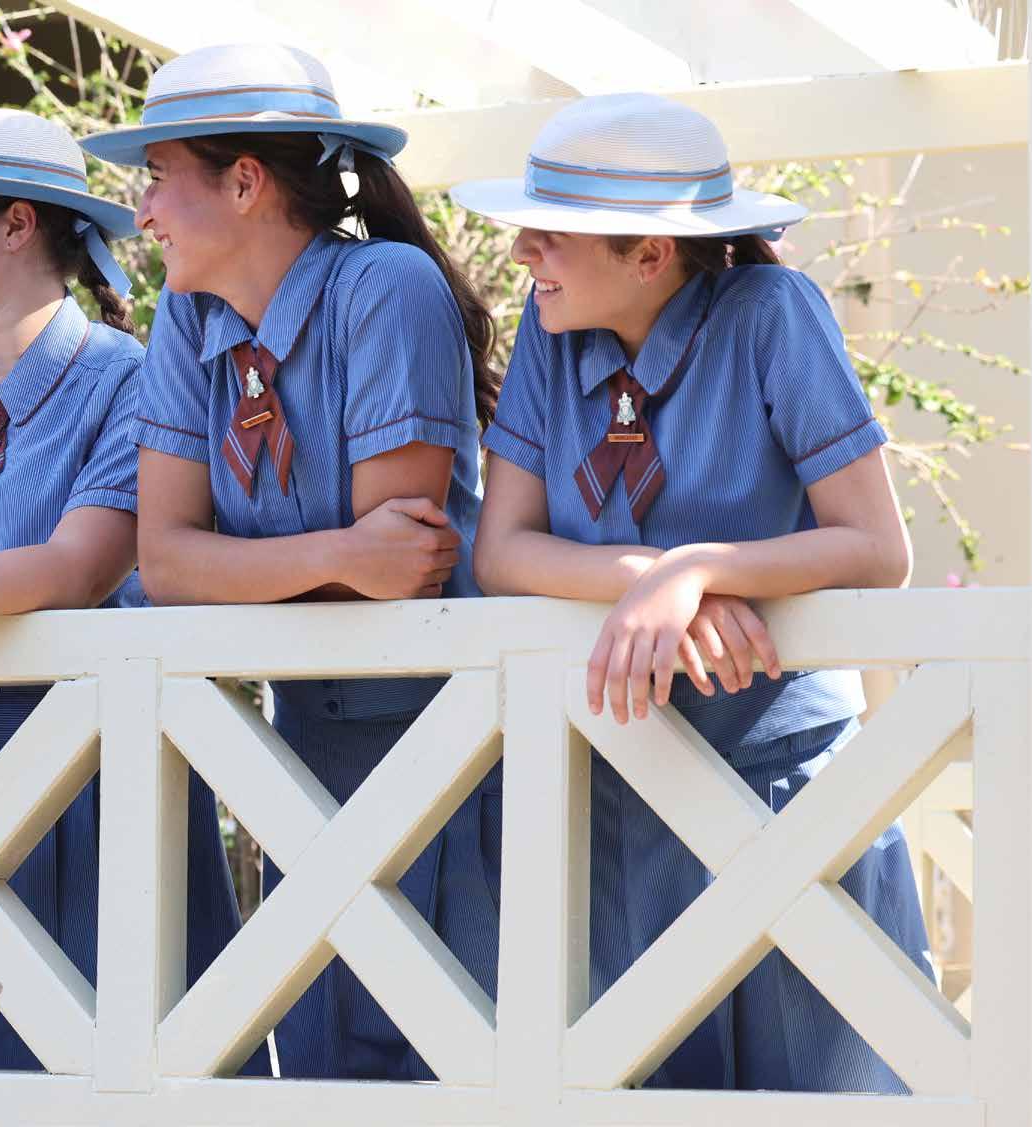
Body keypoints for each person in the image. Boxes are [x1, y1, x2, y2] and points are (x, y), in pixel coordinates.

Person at [453, 92, 932, 1092]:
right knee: (645, 1094)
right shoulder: (552, 327)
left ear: (650, 254)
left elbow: (878, 548)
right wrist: (650, 583)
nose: (522, 250)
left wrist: (698, 569)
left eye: (552, 230)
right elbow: (501, 549)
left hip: (785, 778)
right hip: (614, 782)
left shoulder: (773, 313)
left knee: (832, 1098)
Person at [82, 43, 499, 1080]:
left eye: (156, 176)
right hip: (295, 749)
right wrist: (339, 551)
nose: (141, 211)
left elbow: (400, 568)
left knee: (455, 1070)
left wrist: (262, 564)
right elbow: (163, 561)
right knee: (313, 1072)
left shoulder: (386, 285)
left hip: (449, 745)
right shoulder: (190, 313)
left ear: (244, 182)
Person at [0, 108, 252, 1071]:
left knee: (78, 1074)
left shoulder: (131, 380)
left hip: (73, 786)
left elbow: (72, 569)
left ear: (16, 224)